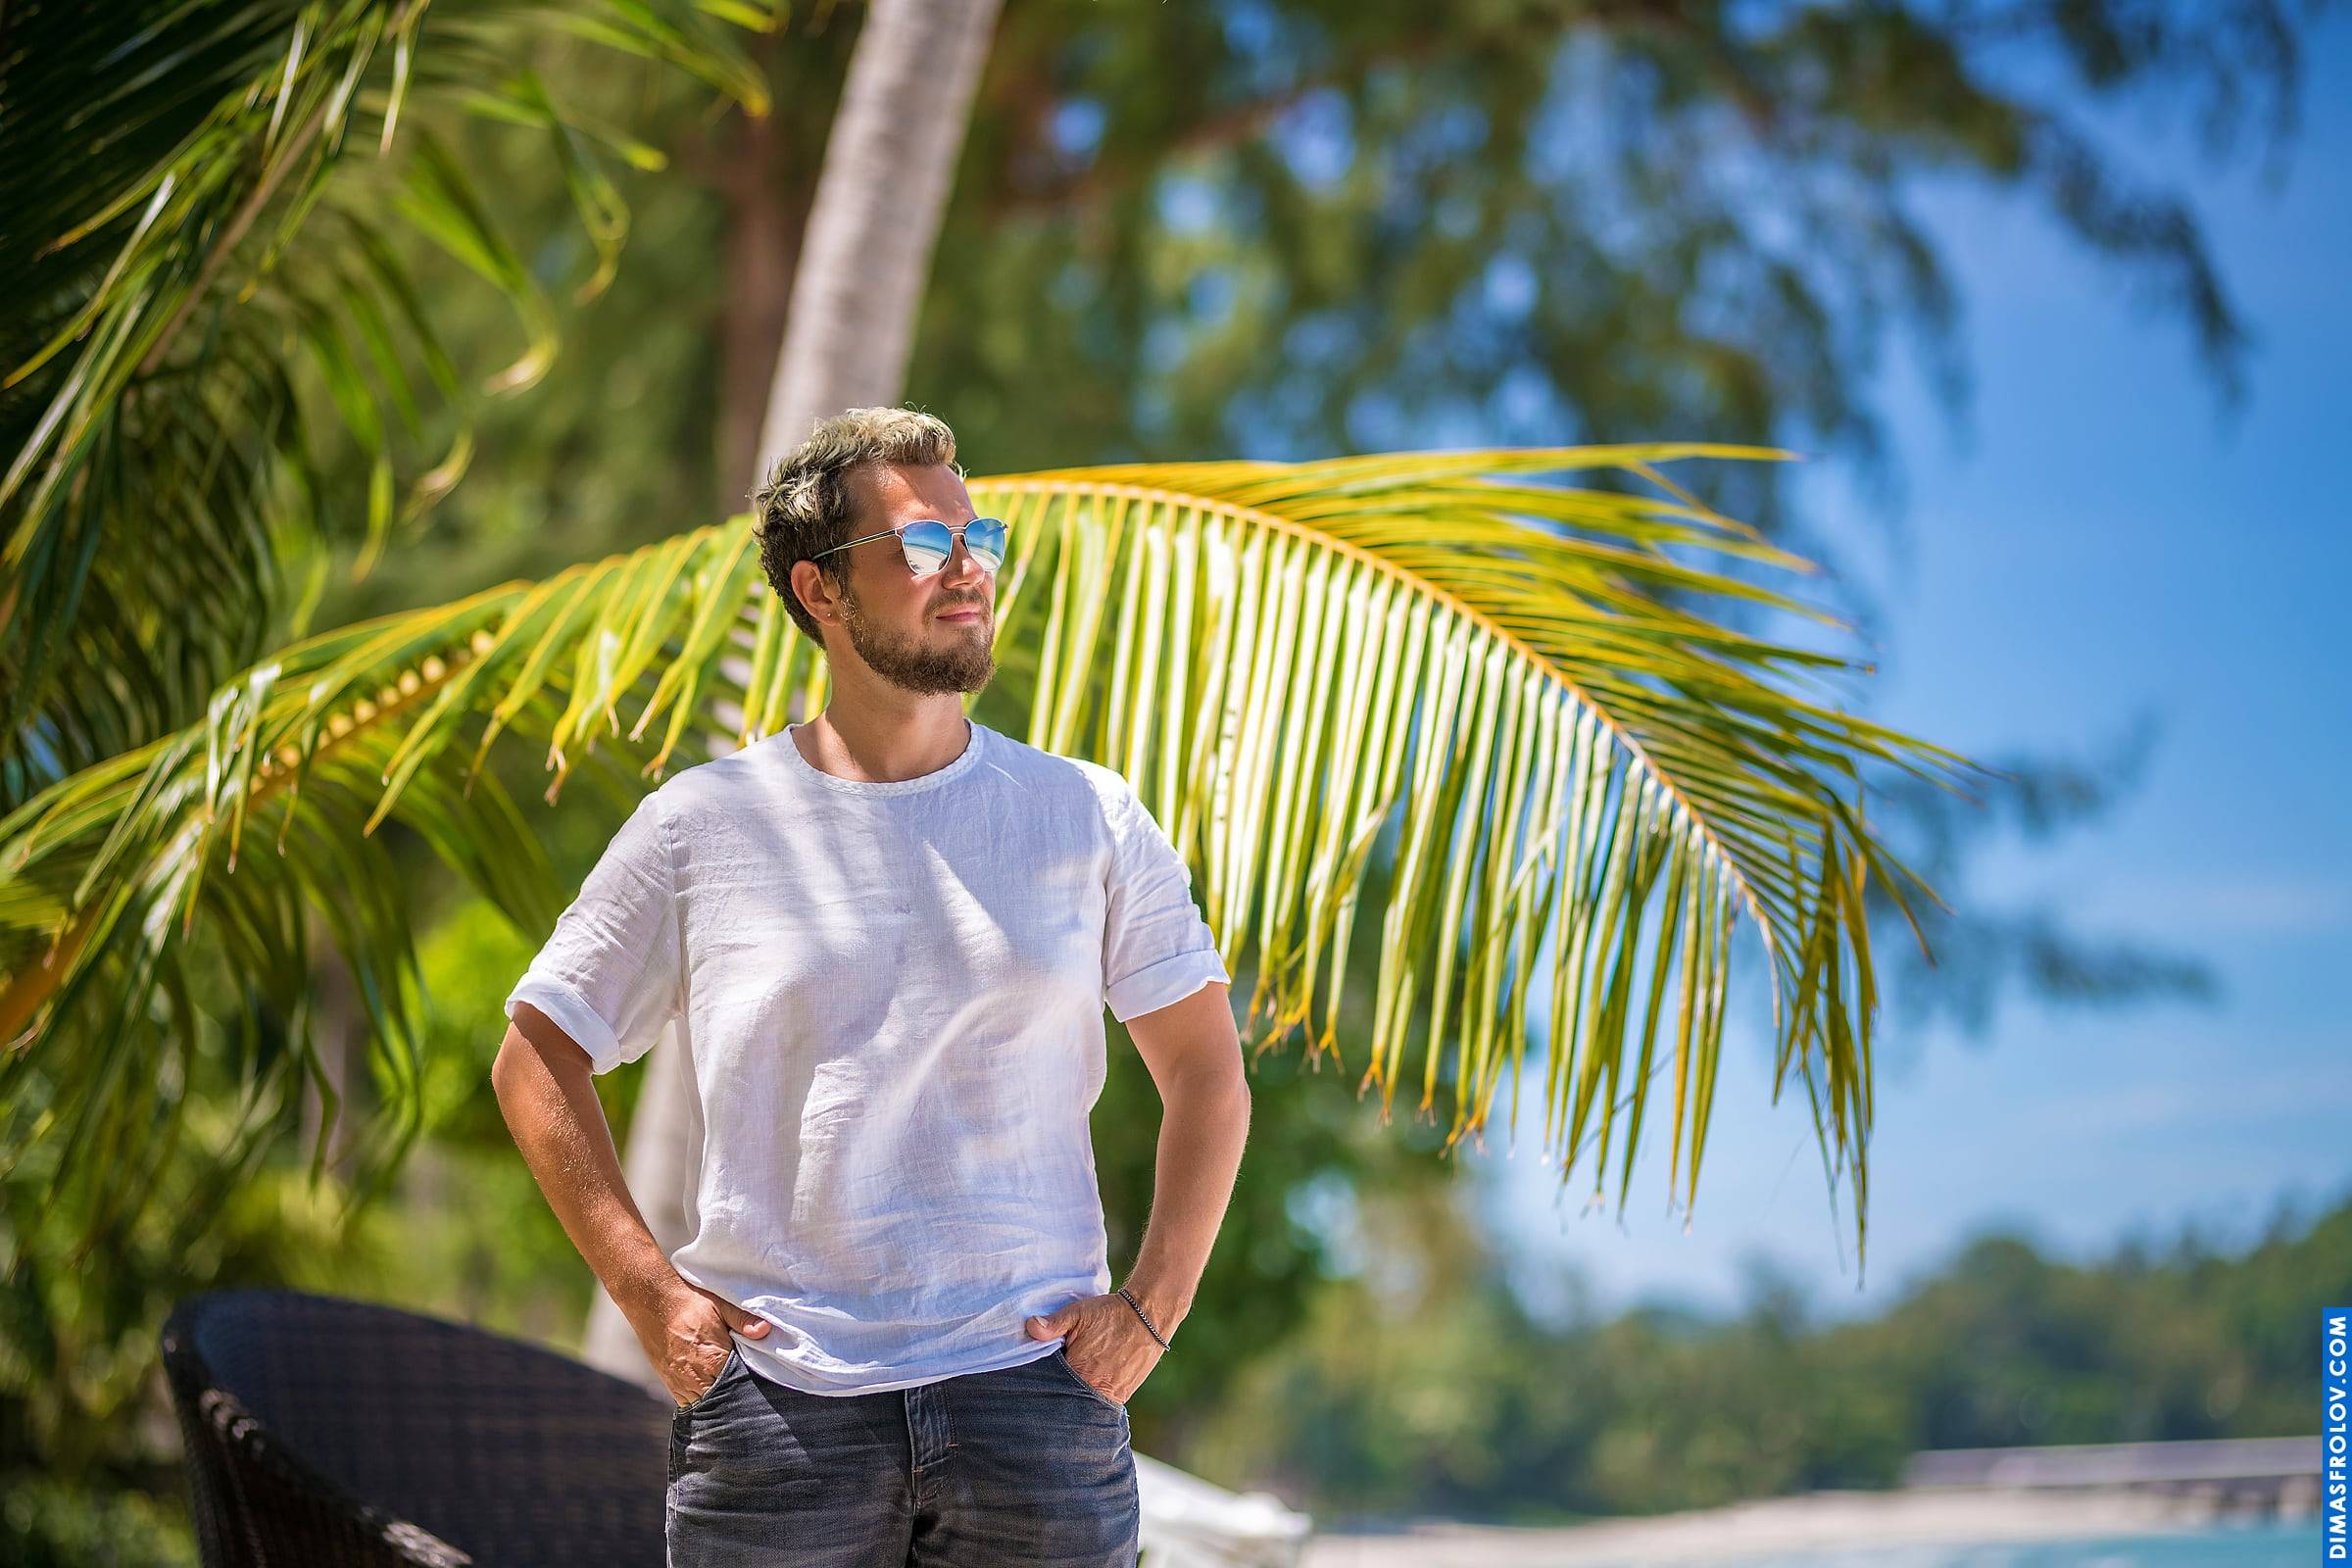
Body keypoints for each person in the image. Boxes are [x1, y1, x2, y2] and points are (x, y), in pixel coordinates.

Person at [490, 406, 1251, 1567]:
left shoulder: (1086, 815)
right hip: (777, 1417)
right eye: (924, 545)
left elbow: (1206, 1069)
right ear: (822, 590)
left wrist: (1151, 1310)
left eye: (978, 538)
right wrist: (648, 1293)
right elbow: (535, 1057)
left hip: (1035, 1404)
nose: (968, 570)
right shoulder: (702, 825)